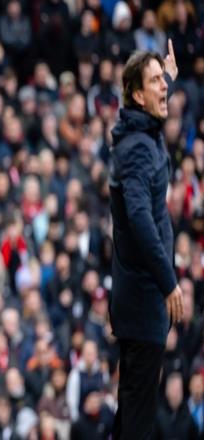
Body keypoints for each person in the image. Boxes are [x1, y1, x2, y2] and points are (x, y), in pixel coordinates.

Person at [108, 40, 183, 439]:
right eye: (155, 81)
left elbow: (157, 97)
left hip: (141, 298)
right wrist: (169, 281)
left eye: (162, 80)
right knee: (137, 421)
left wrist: (167, 74)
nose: (163, 86)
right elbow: (139, 218)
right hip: (144, 299)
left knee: (132, 412)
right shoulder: (137, 147)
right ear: (138, 95)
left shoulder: (144, 128)